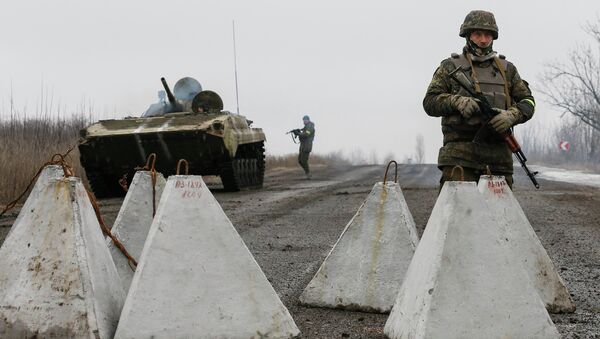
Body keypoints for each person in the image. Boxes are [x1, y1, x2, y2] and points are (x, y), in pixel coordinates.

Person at [424, 10, 535, 189]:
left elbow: (528, 102)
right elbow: (429, 102)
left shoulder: (507, 70)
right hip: (460, 159)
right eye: (477, 34)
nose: (483, 40)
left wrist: (511, 116)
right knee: (457, 215)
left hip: (498, 160)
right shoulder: (450, 67)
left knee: (500, 215)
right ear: (468, 36)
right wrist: (457, 102)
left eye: (488, 35)